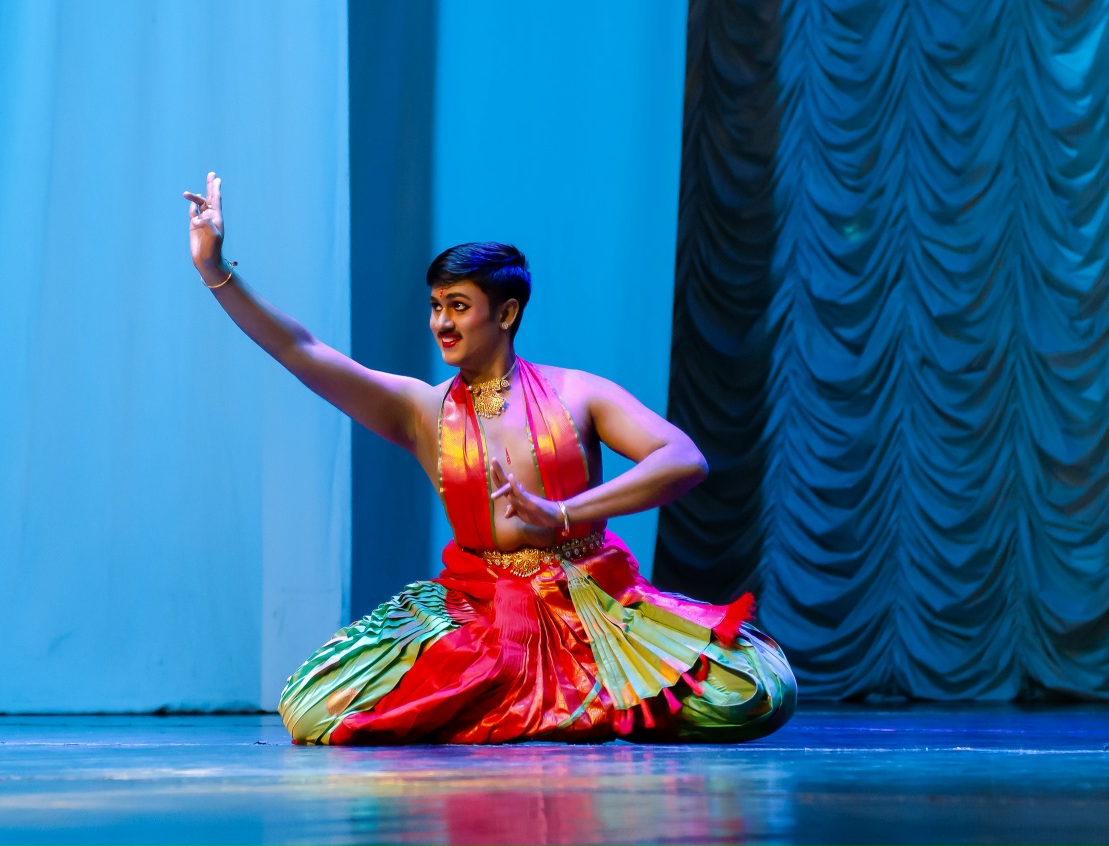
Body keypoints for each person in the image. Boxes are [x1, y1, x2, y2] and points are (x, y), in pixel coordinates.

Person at [185, 172, 796, 745]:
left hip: (591, 602)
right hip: (479, 606)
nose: (440, 323)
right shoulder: (421, 410)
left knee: (755, 690)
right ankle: (546, 703)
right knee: (313, 704)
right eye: (435, 306)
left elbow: (683, 459)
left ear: (506, 313)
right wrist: (215, 270)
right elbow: (302, 350)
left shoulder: (577, 394)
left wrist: (562, 512)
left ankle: (546, 701)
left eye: (457, 305)